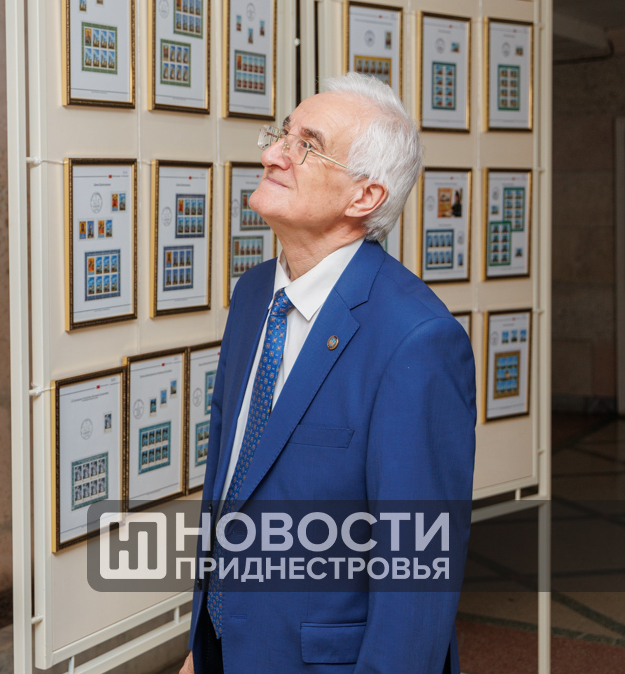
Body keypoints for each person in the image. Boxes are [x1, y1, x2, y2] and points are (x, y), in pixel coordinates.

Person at [181, 73, 476, 674]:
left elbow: (418, 577)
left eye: (306, 146)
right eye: (281, 134)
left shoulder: (417, 340)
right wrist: (202, 647)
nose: (273, 154)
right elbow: (234, 482)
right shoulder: (253, 295)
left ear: (364, 197)